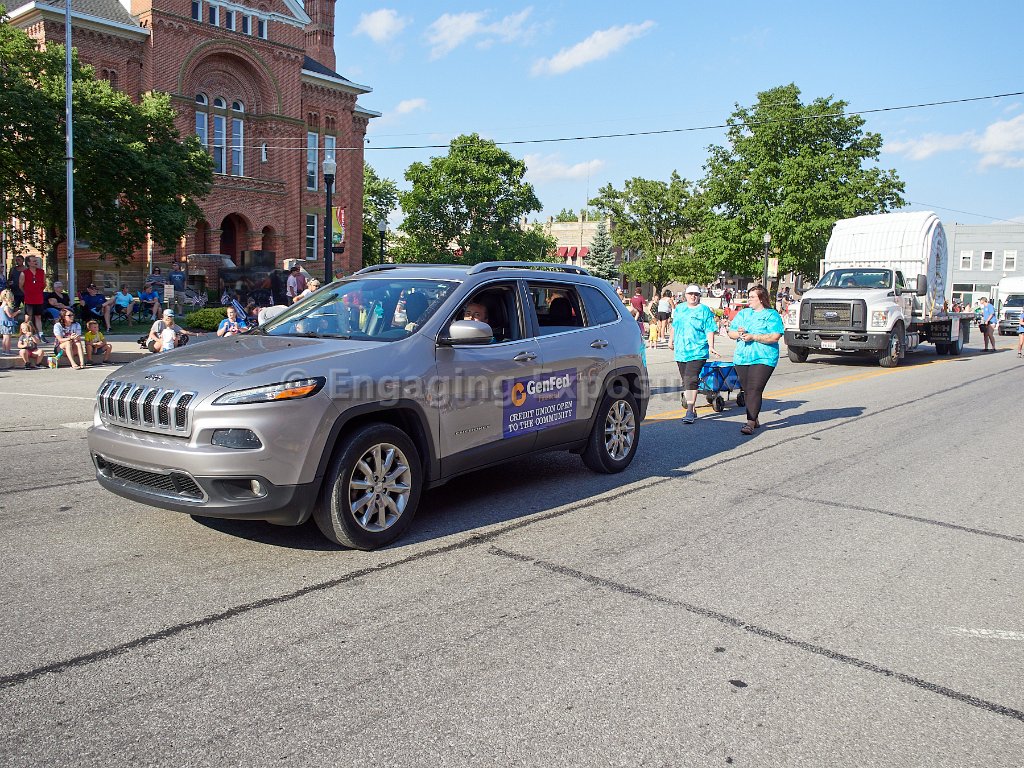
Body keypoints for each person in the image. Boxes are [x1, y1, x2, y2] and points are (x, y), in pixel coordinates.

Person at [728, 284, 785, 436]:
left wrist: (754, 337)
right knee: (747, 390)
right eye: (749, 296)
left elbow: (775, 336)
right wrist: (739, 334)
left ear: (761, 298)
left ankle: (750, 422)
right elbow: (731, 333)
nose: (749, 299)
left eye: (752, 297)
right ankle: (755, 417)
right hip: (742, 357)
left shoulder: (771, 315)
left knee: (754, 388)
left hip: (764, 357)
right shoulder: (743, 313)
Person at [670, 285, 720, 424]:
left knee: (690, 379)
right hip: (681, 351)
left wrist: (711, 346)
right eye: (690, 293)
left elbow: (710, 329)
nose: (693, 296)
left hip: (698, 351)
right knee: (686, 380)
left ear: (699, 296)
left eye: (696, 294)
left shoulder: (704, 310)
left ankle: (690, 410)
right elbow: (675, 325)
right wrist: (670, 340)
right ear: (685, 295)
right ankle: (691, 406)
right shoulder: (680, 308)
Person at [19, 255, 46, 337]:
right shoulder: (24, 273)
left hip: (38, 298)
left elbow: (44, 284)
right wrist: (27, 293)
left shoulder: (41, 272)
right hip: (29, 299)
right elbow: (21, 286)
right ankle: (25, 334)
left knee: (38, 316)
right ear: (28, 263)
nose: (36, 262)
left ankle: (40, 334)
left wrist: (38, 291)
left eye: (36, 261)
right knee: (28, 317)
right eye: (34, 261)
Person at [1, 288, 20, 355]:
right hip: (7, 324)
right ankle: (8, 351)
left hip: (3, 324)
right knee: (8, 338)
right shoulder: (6, 307)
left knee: (4, 338)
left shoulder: (1, 306)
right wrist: (17, 312)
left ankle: (4, 350)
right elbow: (10, 316)